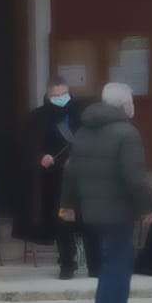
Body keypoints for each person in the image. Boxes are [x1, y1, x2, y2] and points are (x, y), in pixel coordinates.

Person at [61, 83, 152, 303]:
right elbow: (134, 177)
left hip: (91, 208)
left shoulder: (84, 131)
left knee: (118, 262)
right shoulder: (127, 133)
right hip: (118, 210)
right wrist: (146, 207)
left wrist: (66, 205)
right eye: (131, 101)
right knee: (116, 264)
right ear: (125, 104)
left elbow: (70, 171)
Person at [16, 80, 99, 278]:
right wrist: (41, 157)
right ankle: (67, 264)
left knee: (89, 221)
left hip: (84, 176)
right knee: (63, 222)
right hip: (56, 180)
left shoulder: (83, 115)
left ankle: (95, 264)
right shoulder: (37, 118)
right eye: (57, 95)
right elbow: (27, 147)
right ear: (49, 97)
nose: (61, 98)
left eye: (64, 94)